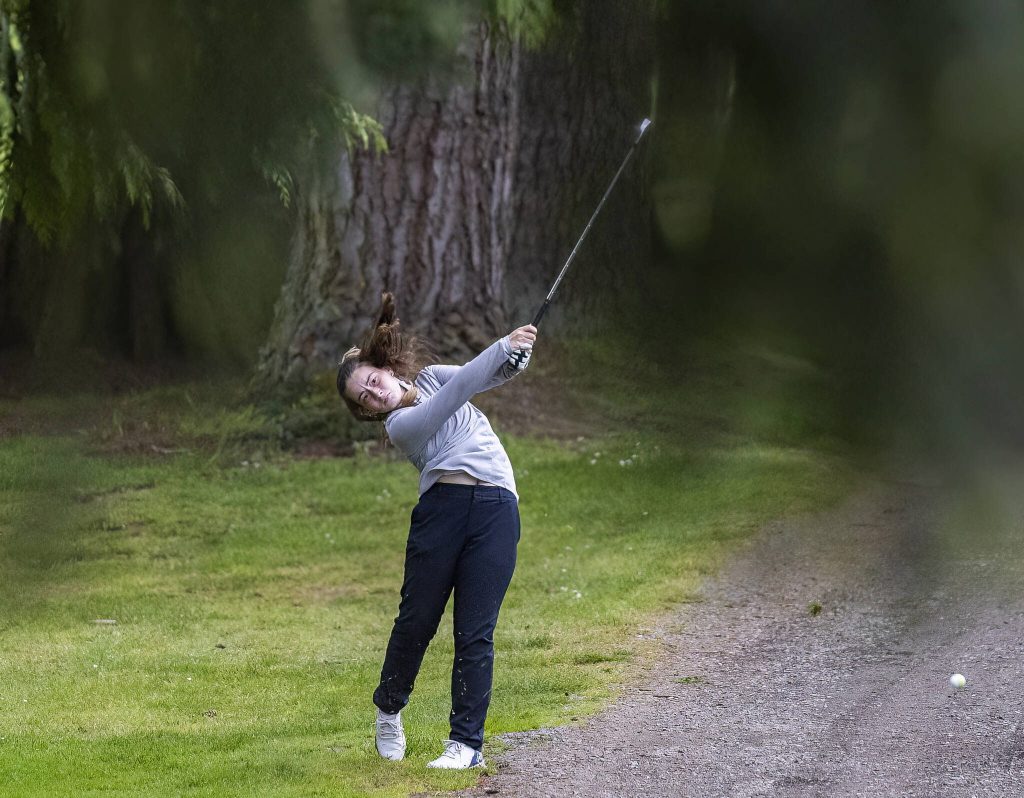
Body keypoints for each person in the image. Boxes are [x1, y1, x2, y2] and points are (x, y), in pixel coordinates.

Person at [336, 292, 536, 770]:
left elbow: (483, 374)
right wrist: (499, 345)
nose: (374, 393)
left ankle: (465, 746)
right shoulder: (400, 426)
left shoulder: (428, 376)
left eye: (372, 381)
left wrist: (515, 357)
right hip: (442, 510)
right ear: (367, 411)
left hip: (495, 506)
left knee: (475, 630)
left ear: (383, 367)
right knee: (418, 620)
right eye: (364, 398)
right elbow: (459, 391)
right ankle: (389, 707)